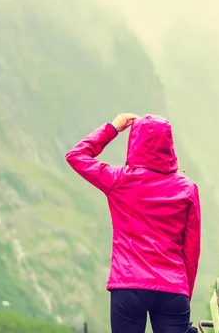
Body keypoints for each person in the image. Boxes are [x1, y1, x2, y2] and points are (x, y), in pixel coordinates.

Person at [65, 113, 201, 333]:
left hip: (128, 285)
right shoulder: (187, 188)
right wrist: (184, 293)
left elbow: (76, 156)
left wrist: (113, 128)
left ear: (135, 141)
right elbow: (192, 248)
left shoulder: (119, 179)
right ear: (169, 144)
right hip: (173, 286)